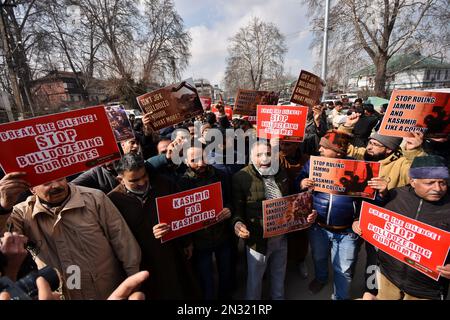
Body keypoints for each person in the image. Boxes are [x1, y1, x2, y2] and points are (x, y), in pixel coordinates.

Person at [0, 173, 141, 300]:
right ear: (32, 189)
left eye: (60, 178)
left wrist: (134, 283)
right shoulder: (22, 214)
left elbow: (124, 243)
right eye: (46, 182)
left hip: (110, 293)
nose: (56, 185)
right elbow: (5, 237)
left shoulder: (95, 199)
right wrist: (4, 207)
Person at [296, 130, 385, 300]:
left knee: (344, 268)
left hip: (347, 232)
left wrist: (381, 194)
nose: (319, 150)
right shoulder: (313, 164)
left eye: (324, 147)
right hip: (318, 226)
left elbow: (371, 203)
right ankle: (321, 278)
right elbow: (297, 185)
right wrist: (301, 182)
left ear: (338, 152)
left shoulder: (360, 167)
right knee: (318, 256)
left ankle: (340, 296)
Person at [353, 155, 450, 300]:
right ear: (412, 181)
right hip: (388, 278)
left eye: (443, 183)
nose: (437, 188)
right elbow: (372, 214)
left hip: (426, 289)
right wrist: (358, 222)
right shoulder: (395, 195)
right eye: (430, 183)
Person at [108, 153, 201, 300]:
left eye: (144, 176)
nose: (142, 183)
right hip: (142, 262)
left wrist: (186, 241)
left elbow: (182, 213)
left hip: (172, 253)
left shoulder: (165, 184)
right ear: (120, 179)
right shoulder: (113, 200)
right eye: (134, 180)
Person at [232, 140, 317, 300]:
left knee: (279, 275)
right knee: (255, 281)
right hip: (258, 241)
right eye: (259, 155)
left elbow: (291, 199)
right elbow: (237, 211)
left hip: (281, 237)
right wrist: (237, 224)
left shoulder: (280, 171)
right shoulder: (240, 178)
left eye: (268, 154)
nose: (264, 159)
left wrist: (306, 214)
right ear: (251, 157)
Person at [162, 143, 233, 300]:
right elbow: (181, 215)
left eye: (203, 157)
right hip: (200, 243)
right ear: (186, 162)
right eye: (194, 160)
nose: (200, 163)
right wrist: (188, 242)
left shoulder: (221, 175)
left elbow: (230, 200)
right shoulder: (181, 183)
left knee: (226, 275)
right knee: (206, 280)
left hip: (223, 237)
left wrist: (228, 209)